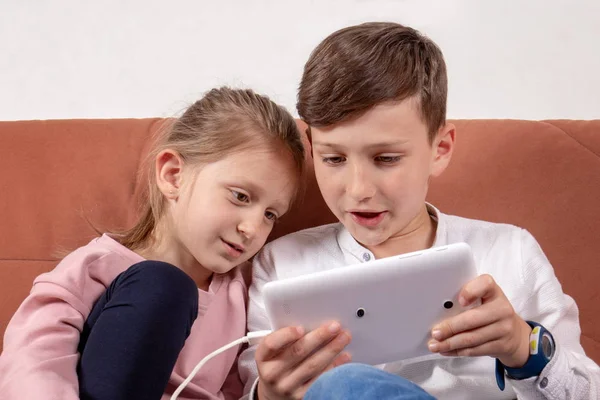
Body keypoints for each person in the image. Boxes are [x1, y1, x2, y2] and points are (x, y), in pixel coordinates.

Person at [238, 22, 600, 399]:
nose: (358, 190)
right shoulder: (282, 265)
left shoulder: (510, 251)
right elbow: (255, 385)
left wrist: (522, 349)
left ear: (440, 150)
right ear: (312, 148)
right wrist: (269, 393)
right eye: (333, 158)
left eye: (386, 158)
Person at [0, 87, 305, 400]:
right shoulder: (97, 266)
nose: (253, 228)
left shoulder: (243, 296)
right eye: (240, 196)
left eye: (270, 215)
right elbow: (32, 363)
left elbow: (234, 390)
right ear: (173, 176)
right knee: (162, 284)